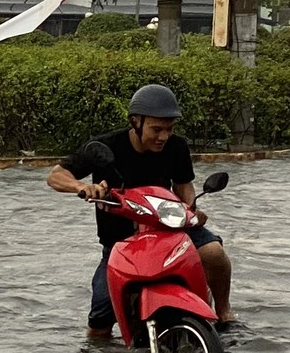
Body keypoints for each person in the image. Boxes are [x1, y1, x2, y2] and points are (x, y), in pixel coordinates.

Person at [45, 84, 234, 337]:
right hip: (121, 240)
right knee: (99, 321)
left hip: (168, 228)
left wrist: (192, 211)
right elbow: (56, 176)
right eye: (156, 129)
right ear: (136, 122)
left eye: (169, 129)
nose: (163, 137)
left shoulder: (176, 147)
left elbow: (183, 185)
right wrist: (82, 187)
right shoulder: (105, 146)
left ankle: (223, 311)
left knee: (214, 252)